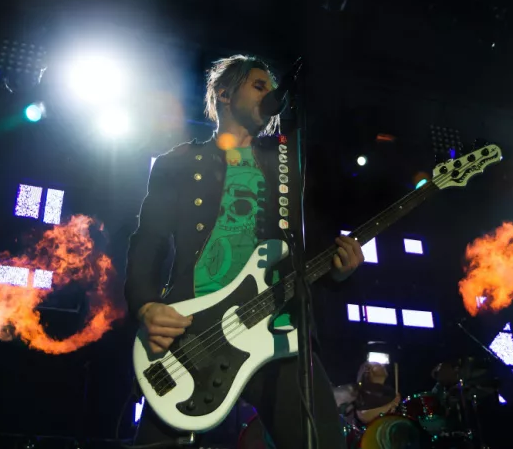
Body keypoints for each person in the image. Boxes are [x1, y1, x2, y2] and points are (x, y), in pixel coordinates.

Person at [126, 55, 366, 448]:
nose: (271, 95)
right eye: (259, 86)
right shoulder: (179, 163)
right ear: (224, 94)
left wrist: (340, 270)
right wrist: (146, 305)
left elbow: (310, 250)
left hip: (277, 331)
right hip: (193, 333)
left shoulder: (289, 162)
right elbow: (147, 242)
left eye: (272, 88)